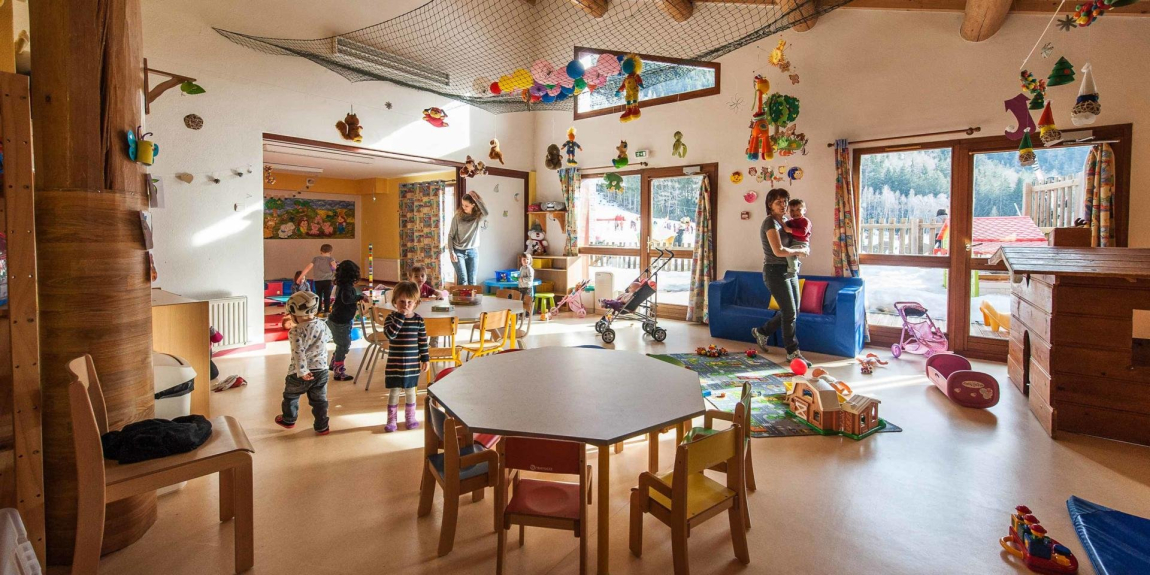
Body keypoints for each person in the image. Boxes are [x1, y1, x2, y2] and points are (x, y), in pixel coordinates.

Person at [751, 188, 811, 365]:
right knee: (789, 311)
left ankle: (762, 331)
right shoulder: (770, 223)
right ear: (770, 204)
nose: (783, 205)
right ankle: (792, 352)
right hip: (774, 271)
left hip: (790, 271)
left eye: (785, 201)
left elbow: (801, 236)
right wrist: (799, 251)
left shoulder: (785, 221)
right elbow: (778, 251)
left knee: (793, 311)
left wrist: (803, 246)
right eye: (779, 202)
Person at [275, 291, 333, 435]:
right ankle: (322, 426)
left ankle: (289, 420)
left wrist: (303, 371)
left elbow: (298, 352)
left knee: (291, 396)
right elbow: (329, 337)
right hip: (321, 370)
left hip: (299, 373)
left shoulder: (295, 331)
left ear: (295, 313)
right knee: (320, 401)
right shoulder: (322, 324)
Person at [382, 281, 429, 432]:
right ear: (395, 301)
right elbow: (390, 334)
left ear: (416, 303)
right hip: (395, 363)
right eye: (402, 301)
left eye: (410, 302)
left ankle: (410, 417)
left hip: (412, 364)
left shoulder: (418, 320)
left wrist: (425, 358)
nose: (406, 305)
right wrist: (400, 318)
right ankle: (391, 420)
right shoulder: (391, 318)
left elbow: (422, 341)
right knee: (394, 391)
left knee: (410, 391)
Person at [327, 260, 369, 382]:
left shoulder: (342, 285)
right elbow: (347, 299)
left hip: (339, 319)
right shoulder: (346, 287)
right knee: (343, 345)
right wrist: (360, 297)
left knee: (341, 345)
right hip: (340, 321)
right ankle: (338, 371)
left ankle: (334, 363)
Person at [447, 191, 488, 286]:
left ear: (473, 205)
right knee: (463, 280)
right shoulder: (457, 217)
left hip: (473, 251)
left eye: (466, 206)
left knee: (472, 280)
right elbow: (450, 235)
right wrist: (451, 252)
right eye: (462, 205)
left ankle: (473, 297)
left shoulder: (477, 217)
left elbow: (486, 213)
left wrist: (476, 199)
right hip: (458, 251)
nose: (463, 207)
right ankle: (462, 296)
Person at [300, 244, 336, 317]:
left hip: (318, 281)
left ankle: (318, 310)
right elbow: (334, 267)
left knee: (318, 295)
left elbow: (308, 267)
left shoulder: (316, 259)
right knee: (327, 296)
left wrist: (301, 276)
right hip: (327, 280)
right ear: (330, 252)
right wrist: (333, 268)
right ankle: (326, 311)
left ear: (321, 251)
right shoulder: (330, 259)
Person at [783, 198, 811, 275]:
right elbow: (784, 225)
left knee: (788, 252)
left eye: (798, 209)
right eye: (792, 210)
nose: (795, 212)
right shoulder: (790, 222)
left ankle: (793, 270)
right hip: (793, 243)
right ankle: (796, 263)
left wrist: (789, 230)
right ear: (788, 212)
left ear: (804, 210)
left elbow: (803, 232)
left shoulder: (805, 221)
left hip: (801, 243)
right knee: (789, 253)